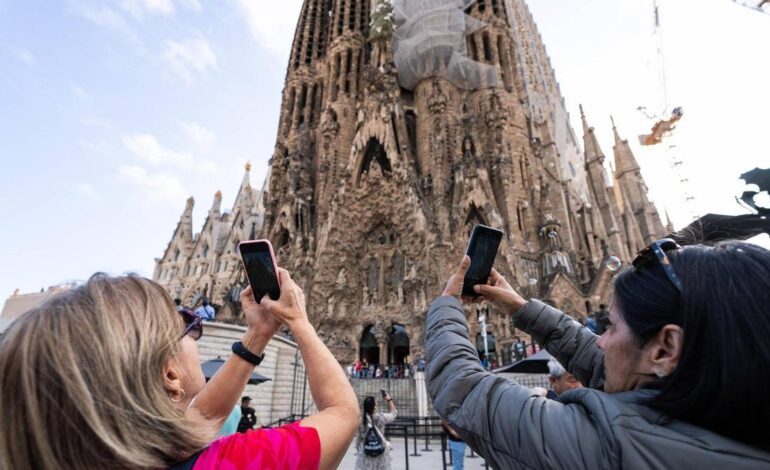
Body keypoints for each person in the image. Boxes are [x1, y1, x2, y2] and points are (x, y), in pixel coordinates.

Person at [426, 240, 770, 468]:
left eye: (612, 327)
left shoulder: (609, 450)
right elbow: (606, 363)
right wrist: (522, 309)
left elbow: (462, 390)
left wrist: (446, 304)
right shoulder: (721, 422)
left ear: (665, 349)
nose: (601, 341)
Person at [0, 268, 359, 469]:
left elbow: (201, 416)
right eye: (189, 323)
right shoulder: (233, 464)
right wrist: (300, 322)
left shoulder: (124, 455)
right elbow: (342, 414)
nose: (197, 331)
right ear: (169, 374)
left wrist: (258, 335)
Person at [355, 394, 397, 469]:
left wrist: (359, 450)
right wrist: (389, 400)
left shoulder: (360, 421)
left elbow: (358, 439)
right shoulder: (381, 418)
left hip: (365, 452)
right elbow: (393, 414)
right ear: (374, 406)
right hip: (380, 453)